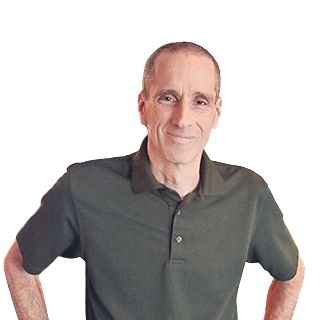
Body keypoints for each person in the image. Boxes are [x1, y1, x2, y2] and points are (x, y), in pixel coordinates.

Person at [4, 41, 304, 320]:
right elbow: (19, 264)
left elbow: (291, 272)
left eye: (200, 101)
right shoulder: (83, 187)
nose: (182, 118)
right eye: (168, 98)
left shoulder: (249, 194)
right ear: (142, 106)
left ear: (216, 113)